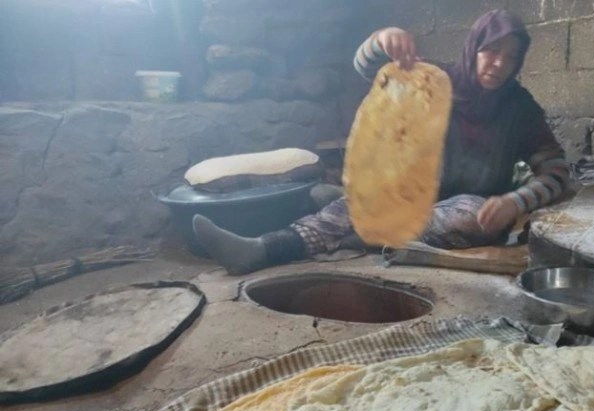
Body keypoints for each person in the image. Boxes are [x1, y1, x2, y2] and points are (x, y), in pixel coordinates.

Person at [192, 9, 571, 275]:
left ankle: (353, 226)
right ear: (474, 48)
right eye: (491, 50)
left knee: (473, 213)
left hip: (466, 207)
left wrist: (513, 202)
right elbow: (368, 70)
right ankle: (262, 248)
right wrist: (380, 41)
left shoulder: (520, 110)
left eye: (511, 57)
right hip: (409, 195)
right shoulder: (435, 81)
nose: (498, 63)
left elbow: (556, 173)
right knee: (371, 204)